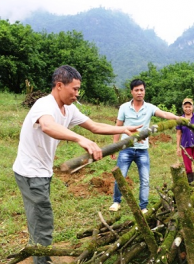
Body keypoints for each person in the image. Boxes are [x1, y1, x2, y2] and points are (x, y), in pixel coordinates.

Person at [13, 65, 142, 264]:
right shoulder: (44, 104)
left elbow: (95, 126)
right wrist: (80, 139)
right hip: (30, 172)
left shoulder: (69, 109)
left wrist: (124, 129)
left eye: (78, 89)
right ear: (59, 85)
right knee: (43, 218)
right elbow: (47, 125)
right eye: (74, 89)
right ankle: (42, 260)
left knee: (38, 218)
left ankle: (40, 254)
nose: (77, 94)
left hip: (42, 171)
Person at [109, 79, 181, 212]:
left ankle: (143, 206)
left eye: (141, 90)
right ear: (131, 92)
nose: (139, 92)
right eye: (136, 90)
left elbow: (164, 114)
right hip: (126, 148)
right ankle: (116, 202)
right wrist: (115, 145)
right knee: (121, 176)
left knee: (145, 179)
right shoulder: (124, 107)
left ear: (144, 91)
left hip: (142, 150)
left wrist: (178, 118)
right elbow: (118, 127)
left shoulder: (150, 108)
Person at [175, 98, 194, 183]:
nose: (188, 108)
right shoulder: (180, 119)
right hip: (185, 145)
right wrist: (178, 147)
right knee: (188, 167)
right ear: (183, 108)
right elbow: (178, 134)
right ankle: (190, 183)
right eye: (186, 107)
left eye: (189, 106)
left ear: (193, 107)